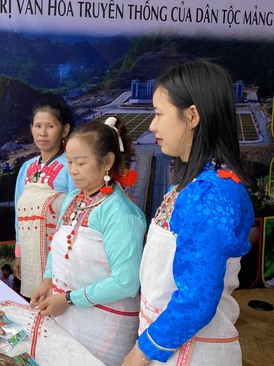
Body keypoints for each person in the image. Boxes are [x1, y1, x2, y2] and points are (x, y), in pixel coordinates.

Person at [122, 60, 254, 366]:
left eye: (158, 114)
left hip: (191, 354)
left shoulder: (209, 194)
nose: (152, 125)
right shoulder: (192, 184)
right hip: (170, 345)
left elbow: (197, 299)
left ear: (191, 115)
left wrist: (142, 352)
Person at [31, 117, 146, 366]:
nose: (72, 170)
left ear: (107, 162)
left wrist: (69, 299)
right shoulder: (74, 199)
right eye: (70, 162)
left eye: (81, 163)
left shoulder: (121, 214)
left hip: (105, 327)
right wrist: (48, 281)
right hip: (66, 315)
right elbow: (59, 245)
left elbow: (126, 282)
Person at [14, 99, 76, 298]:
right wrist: (19, 253)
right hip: (30, 251)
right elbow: (18, 212)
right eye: (38, 126)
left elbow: (75, 212)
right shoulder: (26, 168)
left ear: (64, 130)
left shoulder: (71, 167)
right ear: (31, 128)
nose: (43, 132)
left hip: (59, 252)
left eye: (50, 126)